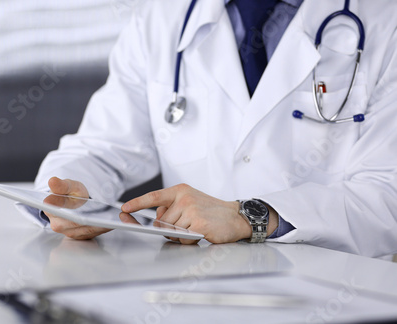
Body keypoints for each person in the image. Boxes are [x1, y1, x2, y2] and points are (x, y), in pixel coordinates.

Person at [33, 0, 397, 258]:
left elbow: (386, 199)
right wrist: (70, 195)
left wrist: (250, 216)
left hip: (331, 294)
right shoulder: (162, 15)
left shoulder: (386, 21)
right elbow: (102, 148)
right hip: (191, 292)